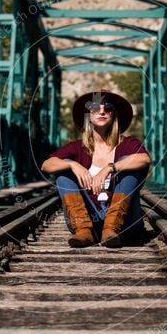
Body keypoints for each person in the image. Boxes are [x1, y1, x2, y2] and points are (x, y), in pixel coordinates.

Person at [41, 90, 152, 248]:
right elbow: (47, 165)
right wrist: (72, 164)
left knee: (127, 162)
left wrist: (109, 168)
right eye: (94, 107)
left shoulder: (127, 144)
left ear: (114, 115)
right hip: (86, 223)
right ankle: (83, 231)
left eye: (108, 108)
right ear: (88, 115)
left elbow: (144, 159)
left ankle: (111, 228)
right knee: (63, 167)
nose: (101, 111)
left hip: (124, 225)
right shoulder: (77, 148)